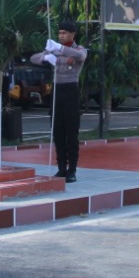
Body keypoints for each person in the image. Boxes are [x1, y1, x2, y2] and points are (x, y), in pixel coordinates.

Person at [31, 20, 88, 182]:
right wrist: (46, 57)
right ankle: (61, 167)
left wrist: (59, 50)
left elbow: (80, 56)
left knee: (71, 132)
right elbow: (33, 58)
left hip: (71, 90)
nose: (61, 36)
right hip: (57, 91)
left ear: (72, 34)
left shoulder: (78, 49)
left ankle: (72, 170)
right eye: (60, 33)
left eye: (64, 33)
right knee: (58, 132)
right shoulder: (54, 50)